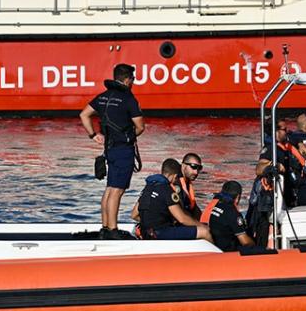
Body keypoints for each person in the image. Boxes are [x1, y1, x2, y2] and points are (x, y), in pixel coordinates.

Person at [79, 63, 145, 239]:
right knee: (117, 190)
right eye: (133, 79)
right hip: (123, 149)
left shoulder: (103, 97)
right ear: (127, 79)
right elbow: (140, 126)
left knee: (109, 189)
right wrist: (130, 136)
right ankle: (113, 230)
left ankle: (106, 227)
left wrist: (93, 135)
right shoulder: (129, 99)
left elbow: (84, 114)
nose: (134, 82)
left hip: (109, 148)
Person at [131, 158, 212, 242]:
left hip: (145, 232)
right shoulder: (167, 190)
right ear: (175, 176)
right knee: (204, 232)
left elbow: (134, 215)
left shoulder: (148, 188)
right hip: (160, 233)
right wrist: (201, 225)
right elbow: (182, 218)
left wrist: (150, 223)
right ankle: (217, 253)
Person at [207, 180, 257, 251]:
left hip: (214, 245)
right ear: (237, 198)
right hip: (228, 251)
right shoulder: (233, 213)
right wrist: (256, 244)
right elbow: (245, 242)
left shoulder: (214, 206)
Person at [179, 152, 205, 221]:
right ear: (183, 166)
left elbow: (194, 209)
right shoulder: (176, 184)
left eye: (199, 168)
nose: (196, 172)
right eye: (193, 167)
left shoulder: (187, 183)